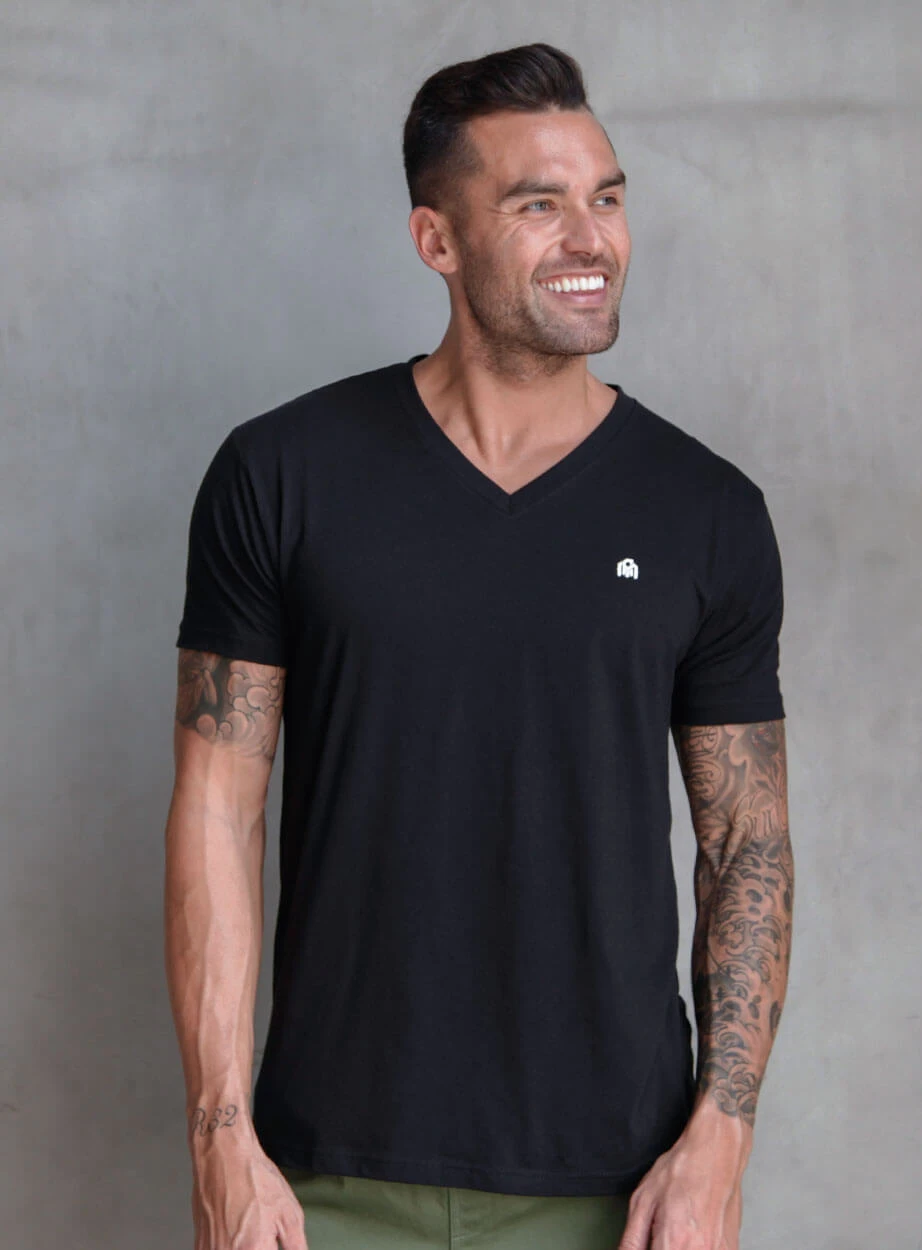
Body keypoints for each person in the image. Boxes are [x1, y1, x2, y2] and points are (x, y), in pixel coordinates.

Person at [164, 41, 794, 1250]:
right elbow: (214, 811)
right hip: (316, 1181)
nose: (591, 238)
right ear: (436, 240)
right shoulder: (281, 475)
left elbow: (745, 843)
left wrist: (719, 1139)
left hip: (616, 1188)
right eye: (537, 204)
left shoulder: (705, 512)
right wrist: (220, 1137)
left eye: (606, 196)